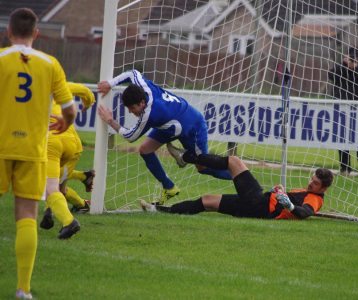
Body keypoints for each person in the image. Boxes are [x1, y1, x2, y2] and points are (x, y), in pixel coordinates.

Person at [0, 8, 76, 299]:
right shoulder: (50, 63)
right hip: (33, 148)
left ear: (8, 32)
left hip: (1, 144)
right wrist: (65, 122)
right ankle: (23, 289)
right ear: (36, 33)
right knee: (27, 215)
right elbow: (69, 110)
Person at [97, 69, 231, 204]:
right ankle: (169, 187)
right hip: (170, 125)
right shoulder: (144, 87)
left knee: (203, 167)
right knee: (145, 150)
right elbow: (133, 73)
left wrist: (110, 121)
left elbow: (130, 136)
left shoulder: (149, 114)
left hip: (192, 127)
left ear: (142, 103)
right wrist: (110, 83)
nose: (131, 112)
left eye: (132, 108)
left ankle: (239, 175)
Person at [141, 149, 334, 220]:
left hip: (259, 204)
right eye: (311, 179)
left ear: (323, 188)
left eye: (315, 183)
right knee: (207, 201)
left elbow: (305, 213)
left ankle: (187, 157)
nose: (310, 184)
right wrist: (281, 192)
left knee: (233, 161)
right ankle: (159, 211)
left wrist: (289, 205)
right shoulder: (307, 191)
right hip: (257, 207)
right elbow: (285, 204)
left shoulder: (315, 200)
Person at [39, 82, 96, 238]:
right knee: (57, 185)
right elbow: (86, 91)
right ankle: (84, 186)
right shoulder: (57, 85)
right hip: (72, 143)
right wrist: (88, 104)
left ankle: (68, 217)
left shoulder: (23, 91)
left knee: (51, 187)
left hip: (51, 142)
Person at [328, 47, 358, 176]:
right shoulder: (339, 67)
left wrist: (356, 69)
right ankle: (344, 168)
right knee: (343, 139)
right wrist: (345, 66)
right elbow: (331, 75)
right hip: (341, 108)